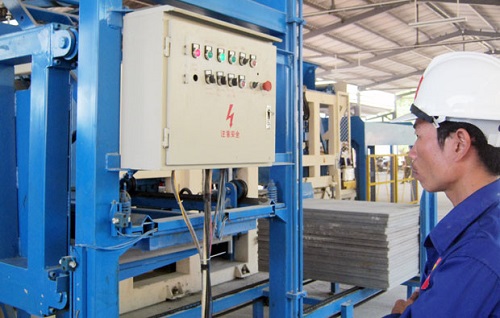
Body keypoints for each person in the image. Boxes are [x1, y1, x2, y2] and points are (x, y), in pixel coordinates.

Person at [386, 51, 500, 317]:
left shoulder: (476, 257)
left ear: (458, 143)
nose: (412, 152)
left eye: (418, 136)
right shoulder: (485, 224)